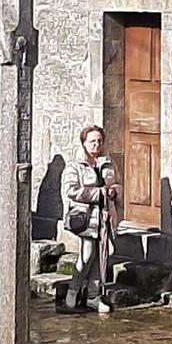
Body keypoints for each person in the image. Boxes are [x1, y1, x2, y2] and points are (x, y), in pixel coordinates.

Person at [60, 124, 120, 315]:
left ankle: (94, 296)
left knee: (100, 257)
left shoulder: (108, 163)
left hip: (104, 217)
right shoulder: (74, 166)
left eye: (99, 141)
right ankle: (73, 290)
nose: (96, 145)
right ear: (84, 143)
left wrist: (114, 192)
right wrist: (98, 193)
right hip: (85, 218)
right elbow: (71, 190)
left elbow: (118, 184)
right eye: (92, 141)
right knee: (87, 255)